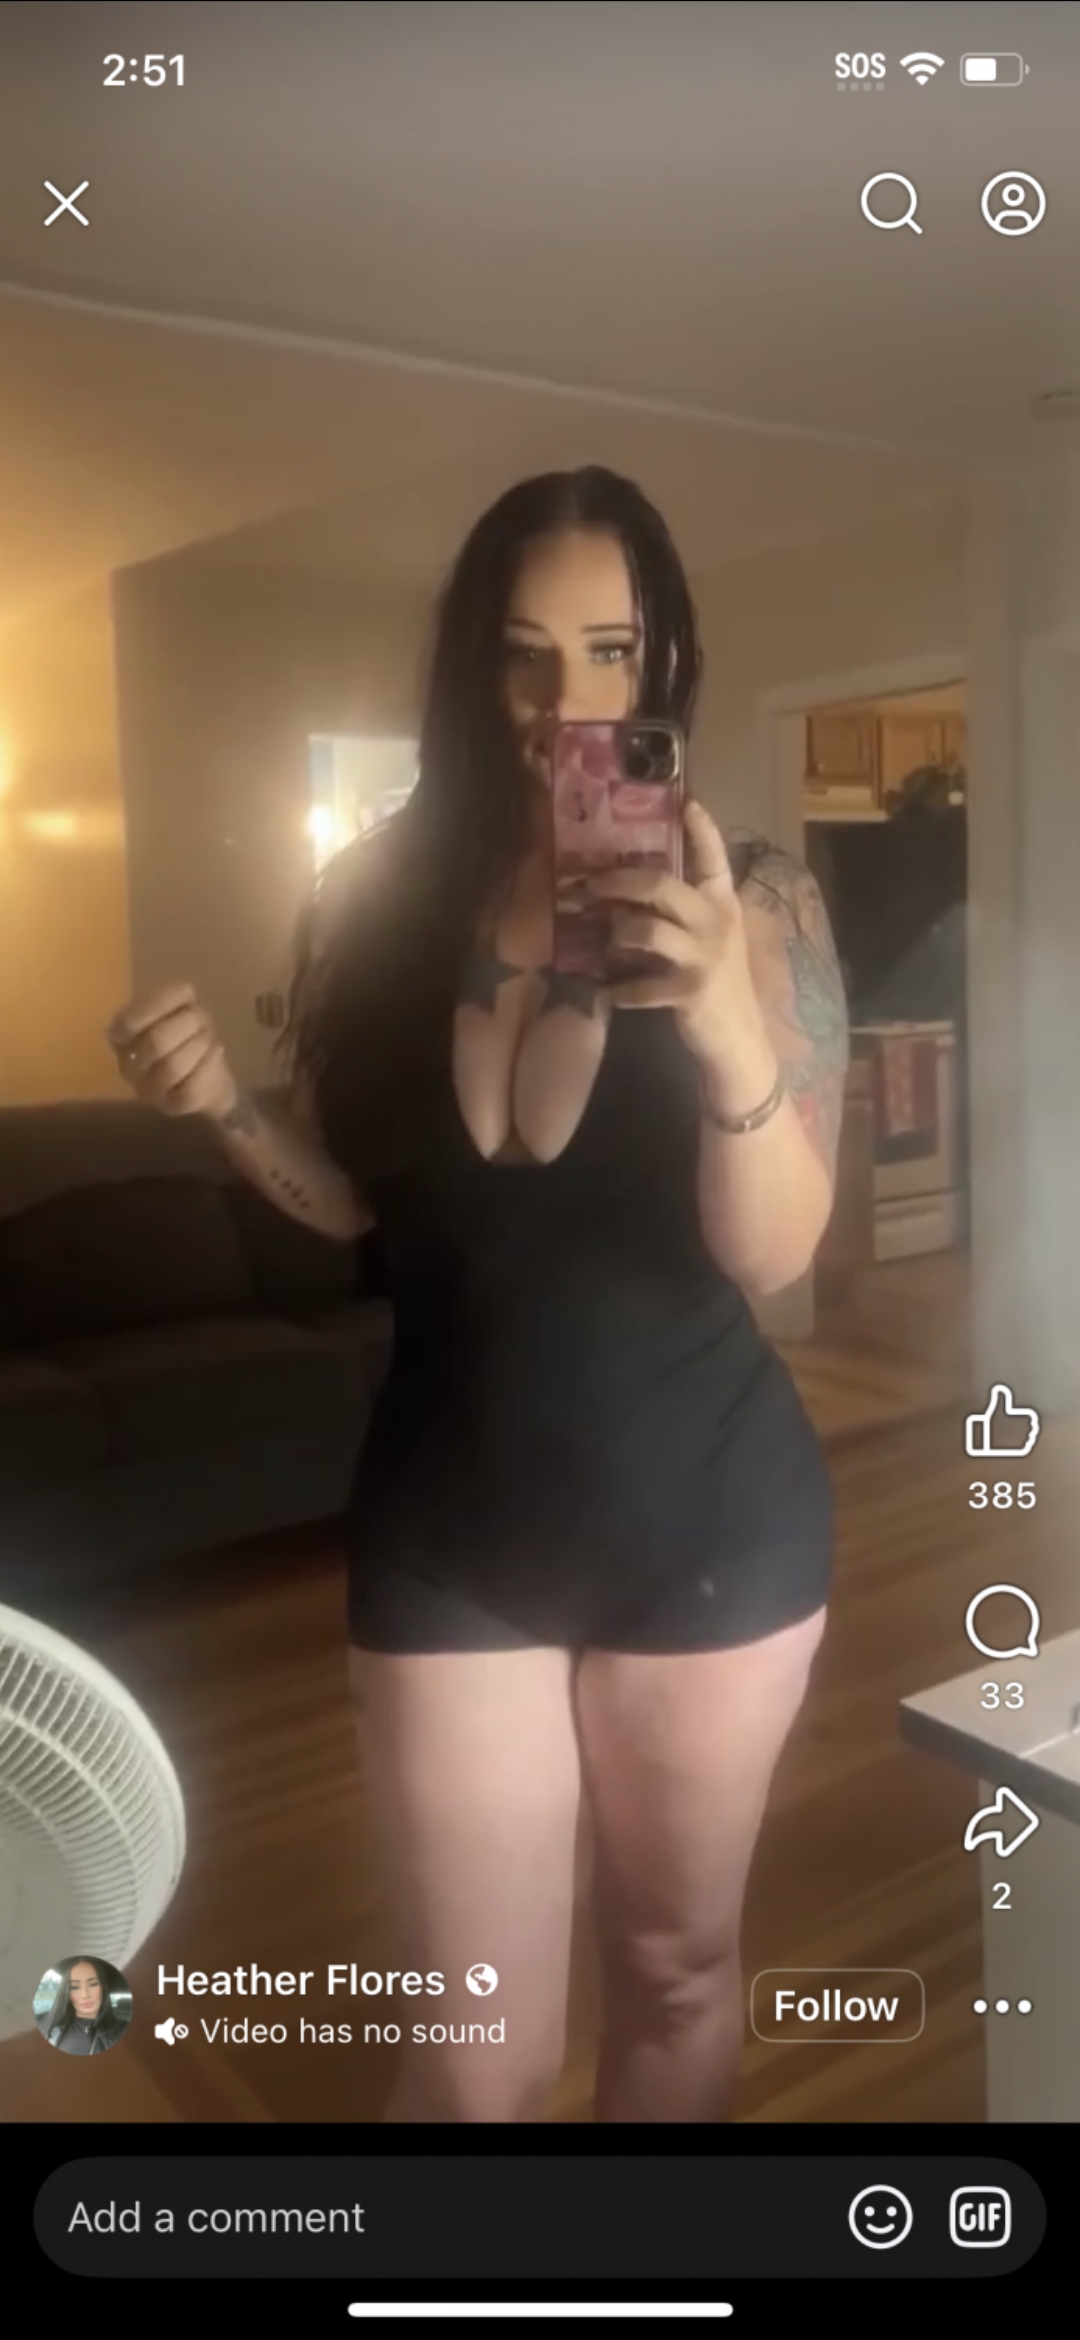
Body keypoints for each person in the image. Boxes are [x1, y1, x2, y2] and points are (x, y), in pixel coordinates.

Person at [107, 465, 849, 2124]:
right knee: (466, 2048)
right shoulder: (375, 902)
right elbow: (362, 1208)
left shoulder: (754, 902)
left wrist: (730, 1033)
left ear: (665, 662)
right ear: (470, 664)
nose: (562, 703)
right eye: (523, 655)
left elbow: (778, 1253)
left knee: (674, 1971)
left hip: (705, 1520)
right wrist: (221, 1108)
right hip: (449, 1527)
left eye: (609, 651)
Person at [40, 1955, 130, 2055]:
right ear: (67, 1994)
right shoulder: (50, 2029)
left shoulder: (123, 2030)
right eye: (75, 1987)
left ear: (103, 1988)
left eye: (93, 1984)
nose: (85, 1995)